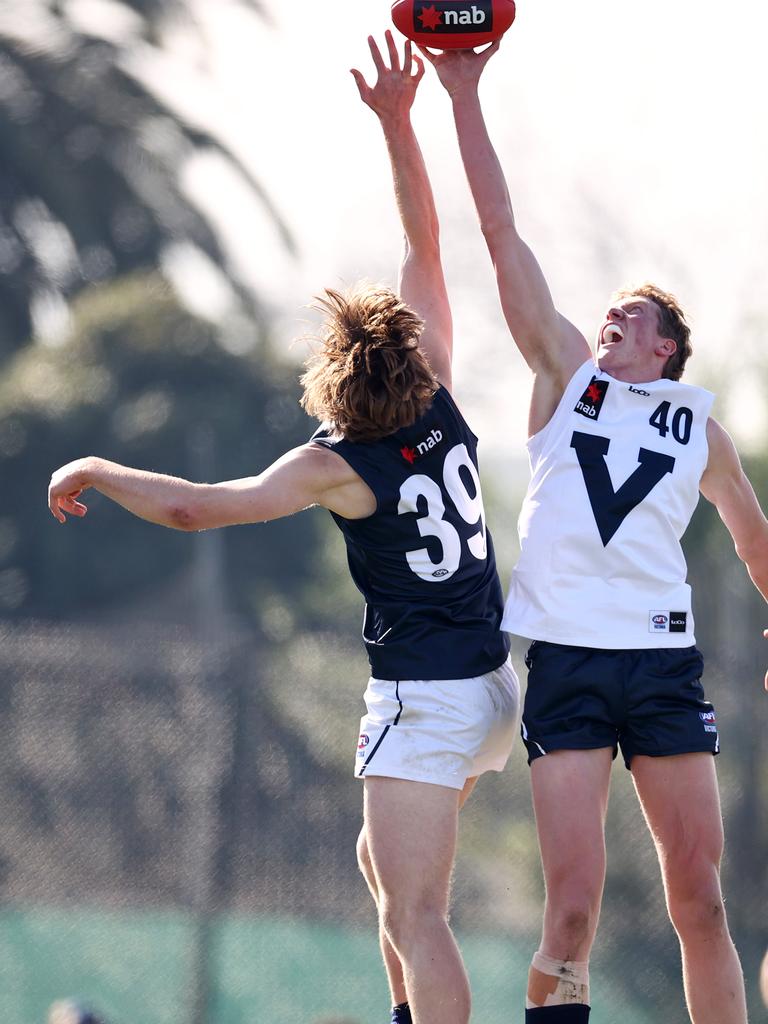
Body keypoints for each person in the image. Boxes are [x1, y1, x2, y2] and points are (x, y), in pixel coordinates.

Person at [47, 34, 520, 1024]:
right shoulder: (437, 401)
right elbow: (425, 249)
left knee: (419, 915)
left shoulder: (334, 463)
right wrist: (400, 123)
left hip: (425, 698)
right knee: (381, 870)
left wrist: (97, 467)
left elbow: (193, 506)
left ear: (333, 378)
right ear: (409, 360)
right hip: (490, 688)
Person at [417, 40, 768, 1024]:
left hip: (662, 666)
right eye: (609, 308)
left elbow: (753, 540)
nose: (611, 315)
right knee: (569, 909)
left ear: (668, 347)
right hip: (568, 660)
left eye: (635, 314)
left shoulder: (699, 425)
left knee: (700, 895)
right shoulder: (569, 376)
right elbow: (499, 233)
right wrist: (462, 91)